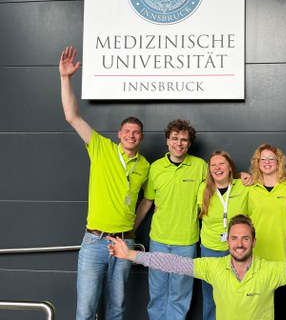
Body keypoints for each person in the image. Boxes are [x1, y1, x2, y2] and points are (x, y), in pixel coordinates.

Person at [107, 214, 286, 320]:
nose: (239, 243)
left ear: (253, 242)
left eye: (245, 238)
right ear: (228, 242)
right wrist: (131, 255)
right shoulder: (213, 268)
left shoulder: (270, 271)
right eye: (234, 238)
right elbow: (174, 263)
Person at [59, 46, 150, 320]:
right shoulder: (101, 148)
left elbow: (146, 201)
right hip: (95, 241)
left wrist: (131, 231)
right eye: (127, 131)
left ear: (141, 138)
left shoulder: (145, 166)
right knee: (86, 310)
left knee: (117, 309)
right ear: (119, 134)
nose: (131, 135)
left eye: (137, 132)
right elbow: (72, 117)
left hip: (125, 243)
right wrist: (65, 78)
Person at [134, 119, 207, 320]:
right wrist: (132, 230)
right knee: (157, 294)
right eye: (174, 138)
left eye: (184, 140)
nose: (179, 143)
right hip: (159, 240)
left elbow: (220, 184)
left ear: (189, 143)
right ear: (167, 141)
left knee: (179, 296)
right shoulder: (156, 168)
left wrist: (244, 176)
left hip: (186, 241)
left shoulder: (200, 166)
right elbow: (147, 202)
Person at [197, 150, 249, 320]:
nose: (217, 168)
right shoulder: (203, 189)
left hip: (237, 251)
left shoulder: (244, 186)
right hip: (210, 251)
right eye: (213, 165)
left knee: (239, 297)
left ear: (229, 167)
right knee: (211, 299)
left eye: (222, 164)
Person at [247, 144, 286, 316]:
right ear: (257, 163)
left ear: (279, 162)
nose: (267, 162)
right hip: (257, 258)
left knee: (284, 309)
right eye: (263, 159)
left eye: (271, 159)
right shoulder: (249, 189)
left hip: (284, 256)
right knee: (259, 311)